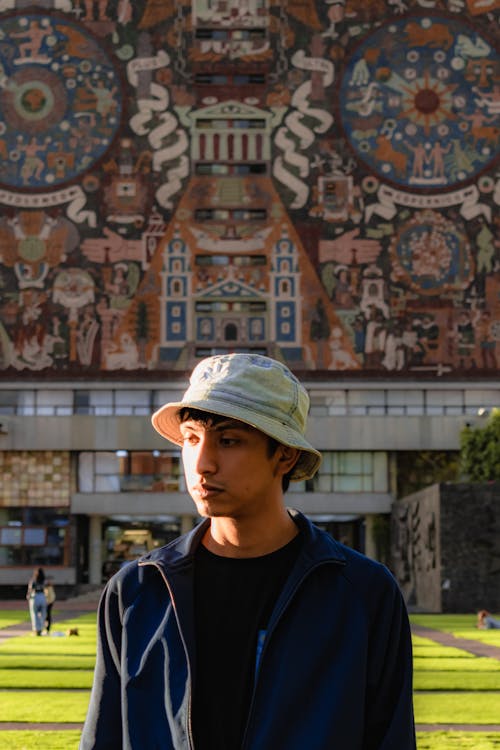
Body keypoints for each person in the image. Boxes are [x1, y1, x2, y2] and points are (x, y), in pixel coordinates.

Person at [80, 353, 416, 750]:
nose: (202, 463)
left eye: (229, 440)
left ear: (285, 455)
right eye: (191, 438)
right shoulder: (136, 592)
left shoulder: (363, 594)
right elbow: (104, 738)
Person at [26, 567, 47, 636]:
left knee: (34, 614)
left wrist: (28, 596)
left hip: (35, 597)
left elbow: (30, 590)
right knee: (43, 614)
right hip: (43, 597)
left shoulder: (33, 581)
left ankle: (36, 629)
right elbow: (46, 589)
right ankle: (41, 628)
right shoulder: (44, 581)